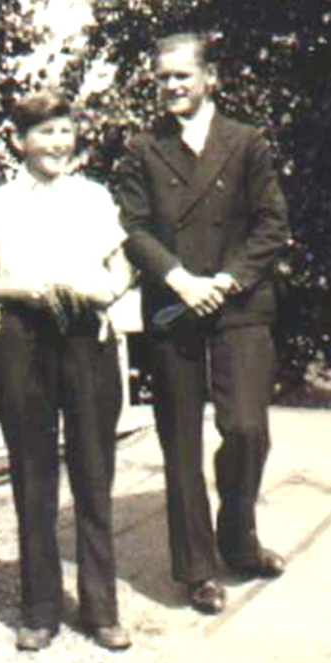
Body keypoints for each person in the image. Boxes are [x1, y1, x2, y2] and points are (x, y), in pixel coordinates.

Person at [118, 32, 289, 614]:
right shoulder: (144, 148)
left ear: (209, 77)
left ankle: (237, 537)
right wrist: (179, 278)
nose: (171, 87)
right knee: (180, 443)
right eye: (162, 78)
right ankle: (195, 570)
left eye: (182, 76)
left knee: (245, 428)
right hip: (173, 306)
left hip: (237, 304)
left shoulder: (247, 142)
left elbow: (272, 225)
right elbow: (133, 229)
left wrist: (227, 279)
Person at [0, 91, 133, 651]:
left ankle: (101, 609)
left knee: (92, 470)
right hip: (23, 338)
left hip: (87, 337)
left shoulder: (94, 197)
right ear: (20, 141)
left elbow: (121, 265)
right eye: (45, 133)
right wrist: (26, 290)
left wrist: (106, 289)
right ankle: (39, 610)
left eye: (64, 130)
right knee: (33, 475)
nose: (58, 142)